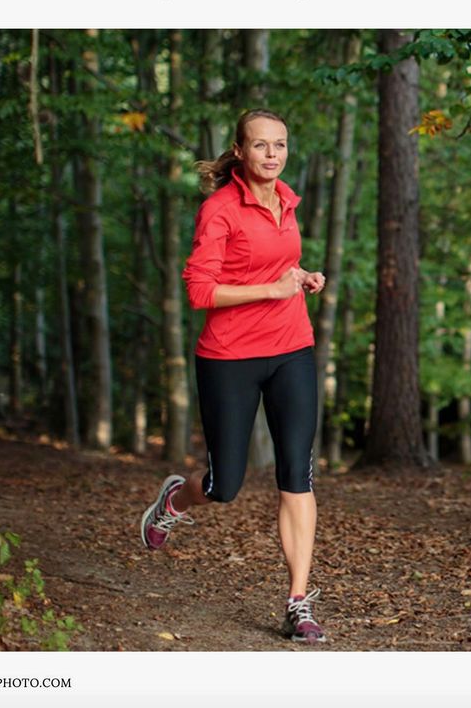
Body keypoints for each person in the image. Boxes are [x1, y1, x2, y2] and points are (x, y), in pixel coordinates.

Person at [139, 108, 328, 644]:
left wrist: (300, 278)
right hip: (229, 356)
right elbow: (201, 291)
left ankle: (298, 602)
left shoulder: (286, 200)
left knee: (298, 474)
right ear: (240, 152)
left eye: (281, 144)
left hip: (292, 347)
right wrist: (271, 289)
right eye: (262, 146)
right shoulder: (218, 209)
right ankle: (176, 499)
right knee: (226, 486)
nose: (273, 154)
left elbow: (274, 265)